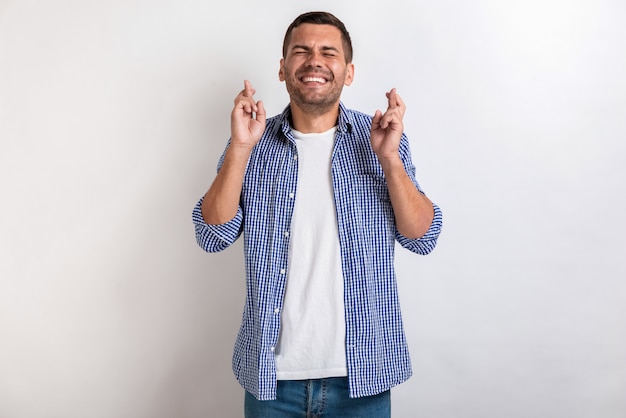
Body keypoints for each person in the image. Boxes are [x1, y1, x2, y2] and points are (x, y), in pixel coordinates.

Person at [192, 11, 443, 418]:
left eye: (329, 52)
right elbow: (211, 235)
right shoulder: (251, 144)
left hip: (362, 378)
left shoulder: (379, 139)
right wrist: (239, 149)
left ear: (348, 72)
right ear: (282, 68)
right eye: (301, 51)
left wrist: (391, 160)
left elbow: (422, 238)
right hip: (271, 381)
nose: (314, 61)